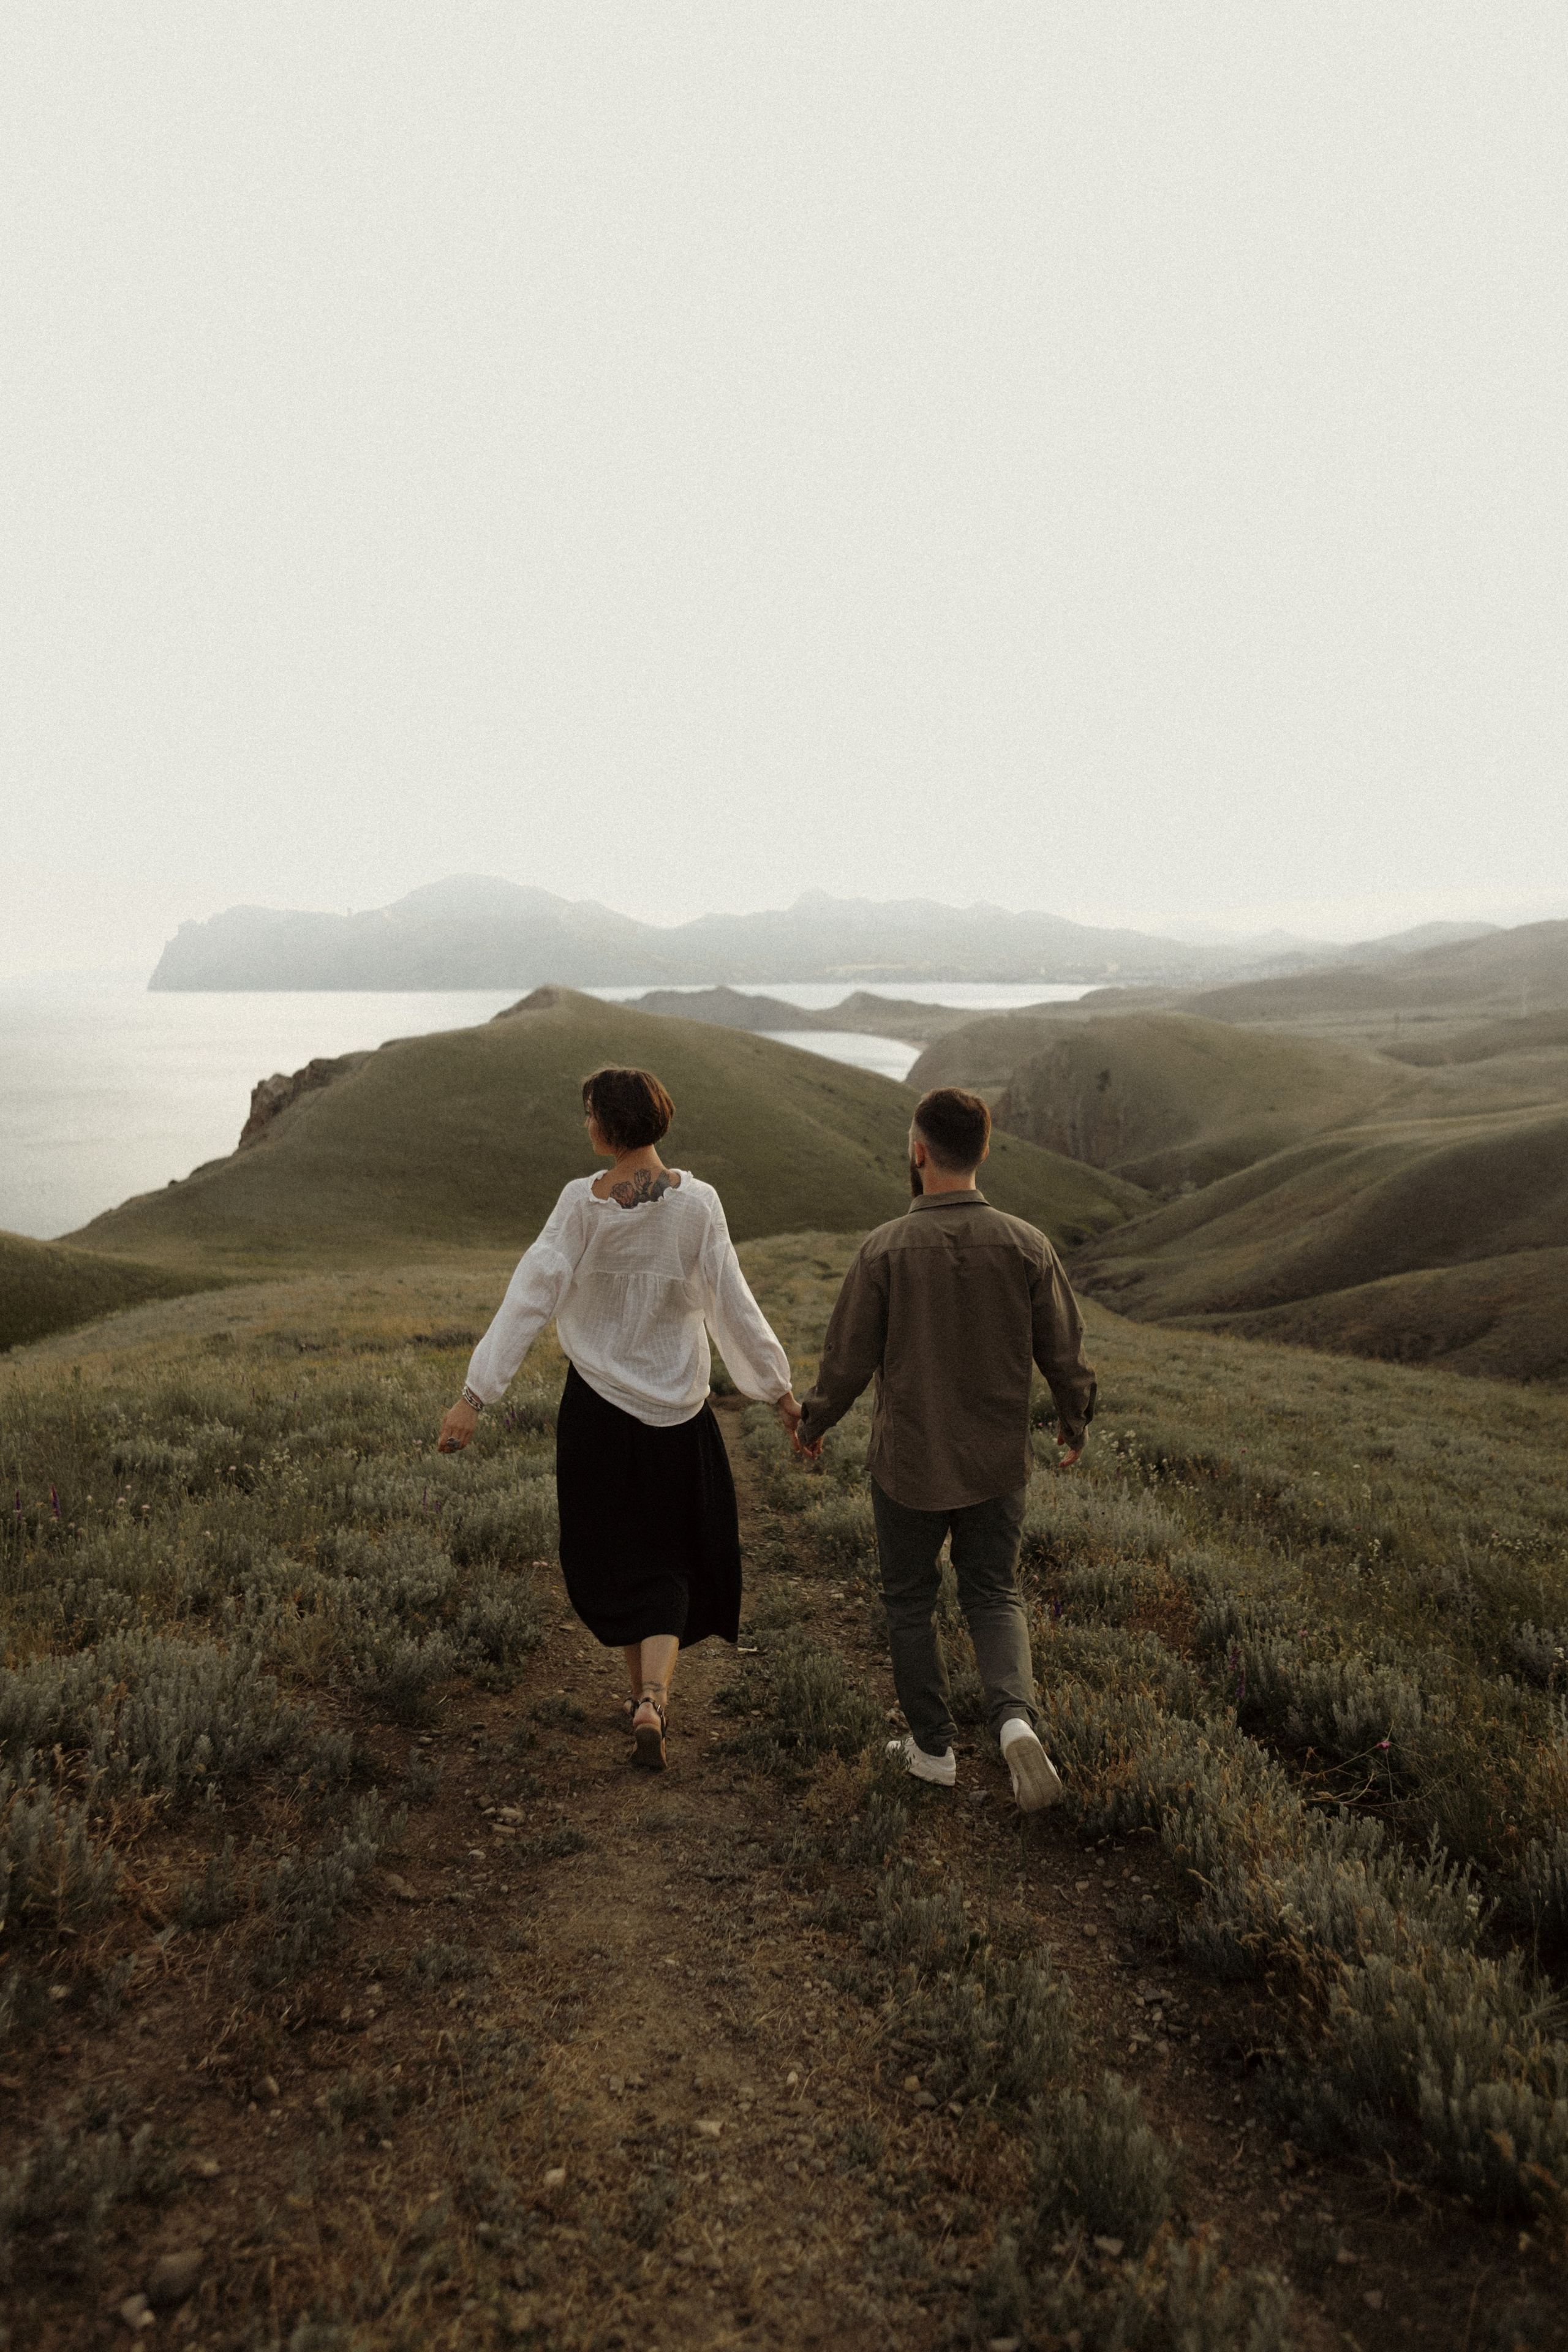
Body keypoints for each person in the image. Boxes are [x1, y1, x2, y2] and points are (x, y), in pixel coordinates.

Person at [437, 1065, 801, 1770]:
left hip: (596, 1413)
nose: (585, 1125)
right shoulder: (699, 1205)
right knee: (671, 1555)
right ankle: (653, 1699)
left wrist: (475, 1396)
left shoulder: (582, 1203)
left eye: (588, 1114)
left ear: (607, 1125)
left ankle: (641, 1698)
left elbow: (530, 1298)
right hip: (677, 1411)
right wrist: (778, 1392)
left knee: (615, 1553)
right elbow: (734, 1304)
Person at [793, 1086, 1095, 1811]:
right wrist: (1073, 1418)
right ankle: (1014, 1721)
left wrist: (813, 1422)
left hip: (908, 1461)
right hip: (996, 1460)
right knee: (993, 1592)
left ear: (919, 1153)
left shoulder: (883, 1249)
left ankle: (932, 1750)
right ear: (982, 1151)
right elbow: (1064, 1349)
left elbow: (847, 1360)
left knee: (909, 1600)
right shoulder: (1027, 1244)